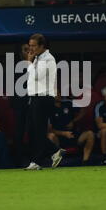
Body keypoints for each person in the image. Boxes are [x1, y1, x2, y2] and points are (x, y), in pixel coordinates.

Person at [25, 33, 65, 170]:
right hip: (35, 98)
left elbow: (36, 76)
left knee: (39, 131)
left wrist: (29, 62)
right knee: (33, 130)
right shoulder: (38, 58)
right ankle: (54, 151)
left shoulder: (48, 59)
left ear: (42, 46)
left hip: (43, 98)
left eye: (34, 46)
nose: (31, 48)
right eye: (29, 45)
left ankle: (37, 161)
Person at [47, 93, 95, 165]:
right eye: (56, 94)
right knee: (51, 136)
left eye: (59, 93)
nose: (59, 95)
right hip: (59, 138)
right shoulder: (49, 109)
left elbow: (83, 110)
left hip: (73, 135)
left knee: (90, 134)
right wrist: (64, 134)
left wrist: (73, 121)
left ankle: (85, 161)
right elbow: (50, 130)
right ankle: (57, 162)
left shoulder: (68, 103)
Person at [10, 43, 30, 167]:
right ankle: (19, 161)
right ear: (20, 53)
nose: (28, 51)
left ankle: (36, 158)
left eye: (29, 49)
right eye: (25, 50)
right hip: (20, 104)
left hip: (33, 104)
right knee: (20, 132)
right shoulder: (16, 67)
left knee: (35, 131)